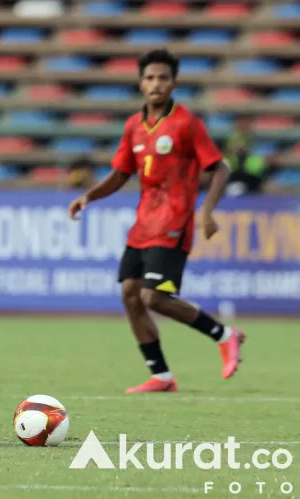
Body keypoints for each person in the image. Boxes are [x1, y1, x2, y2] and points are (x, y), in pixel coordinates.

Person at [67, 49, 245, 393]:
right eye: (149, 78)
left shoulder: (186, 123)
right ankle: (162, 376)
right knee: (131, 295)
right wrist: (88, 196)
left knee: (153, 297)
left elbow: (220, 168)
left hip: (175, 220)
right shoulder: (134, 126)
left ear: (174, 83)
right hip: (143, 223)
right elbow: (120, 174)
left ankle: (225, 334)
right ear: (140, 84)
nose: (156, 84)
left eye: (163, 77)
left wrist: (206, 210)